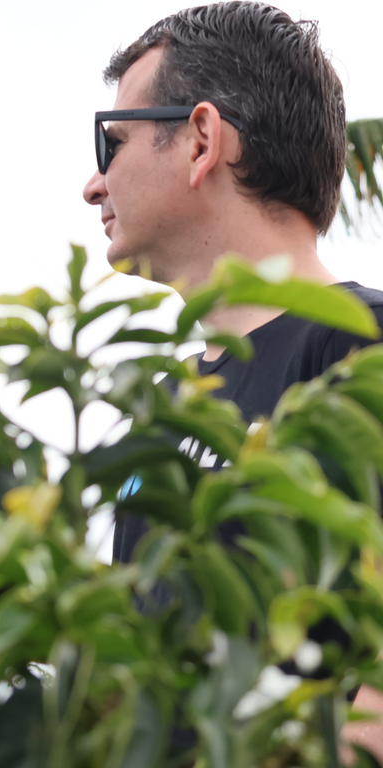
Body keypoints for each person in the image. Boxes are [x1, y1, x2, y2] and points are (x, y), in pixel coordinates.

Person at [82, 1, 383, 758]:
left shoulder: (359, 344)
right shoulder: (158, 421)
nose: (92, 184)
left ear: (201, 141)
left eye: (110, 142)